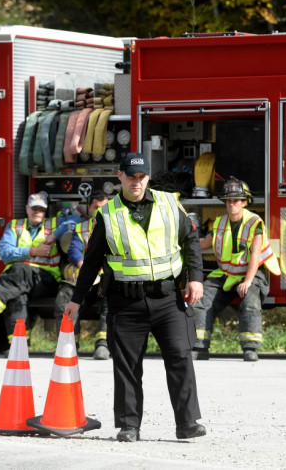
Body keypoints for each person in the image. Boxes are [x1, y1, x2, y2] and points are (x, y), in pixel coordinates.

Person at [64, 152, 206, 443]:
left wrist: (195, 278)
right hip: (126, 301)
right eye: (131, 177)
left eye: (142, 177)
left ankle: (187, 422)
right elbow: (91, 261)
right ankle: (129, 426)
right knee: (127, 366)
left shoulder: (168, 204)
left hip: (168, 298)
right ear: (120, 177)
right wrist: (77, 299)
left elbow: (190, 239)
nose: (137, 182)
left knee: (180, 356)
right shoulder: (108, 214)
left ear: (148, 178)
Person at [0, 191, 81, 345]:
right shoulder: (14, 226)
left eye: (41, 209)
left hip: (46, 281)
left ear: (45, 210)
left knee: (19, 271)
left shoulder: (53, 224)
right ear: (27, 209)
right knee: (16, 296)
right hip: (19, 279)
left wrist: (54, 235)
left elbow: (77, 220)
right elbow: (5, 253)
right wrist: (32, 251)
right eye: (34, 208)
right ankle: (18, 346)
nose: (37, 212)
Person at [192, 177, 280, 362]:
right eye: (228, 201)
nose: (231, 204)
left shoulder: (254, 223)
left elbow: (255, 255)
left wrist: (247, 282)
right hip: (227, 275)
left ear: (245, 202)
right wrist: (183, 242)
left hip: (252, 275)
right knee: (202, 299)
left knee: (249, 300)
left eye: (236, 200)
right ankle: (199, 347)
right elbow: (204, 243)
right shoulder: (220, 223)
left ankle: (250, 348)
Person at [54, 190, 111, 360]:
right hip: (86, 280)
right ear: (89, 208)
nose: (100, 211)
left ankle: (103, 345)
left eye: (104, 207)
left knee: (111, 299)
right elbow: (74, 251)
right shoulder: (81, 228)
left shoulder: (117, 226)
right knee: (64, 298)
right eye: (96, 207)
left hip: (108, 279)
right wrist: (88, 272)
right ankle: (69, 344)